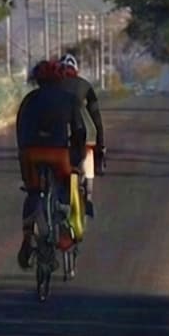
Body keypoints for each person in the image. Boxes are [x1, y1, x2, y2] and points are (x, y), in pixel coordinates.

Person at [14, 59, 91, 269]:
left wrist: (23, 153)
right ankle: (65, 233)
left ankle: (27, 235)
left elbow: (20, 130)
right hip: (59, 155)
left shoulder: (29, 100)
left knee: (32, 192)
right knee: (68, 186)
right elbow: (80, 131)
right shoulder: (69, 99)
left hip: (31, 154)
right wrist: (77, 157)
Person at [57, 53, 105, 215]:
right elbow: (96, 117)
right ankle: (89, 195)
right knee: (88, 153)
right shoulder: (85, 85)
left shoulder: (52, 86)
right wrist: (102, 144)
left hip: (57, 133)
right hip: (84, 131)